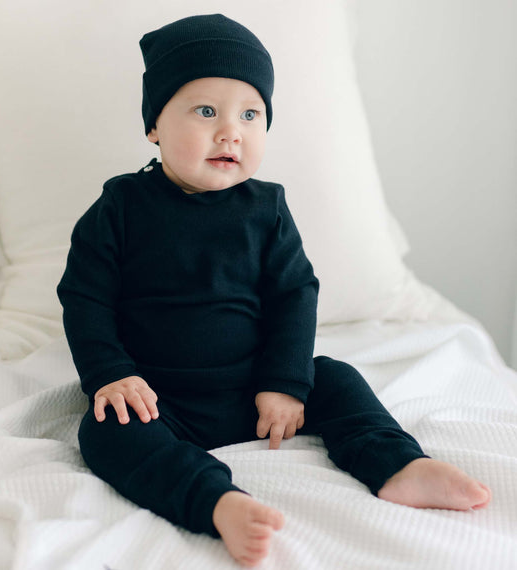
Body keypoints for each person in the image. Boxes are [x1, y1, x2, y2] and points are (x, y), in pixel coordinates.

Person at [57, 14, 491, 567]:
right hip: (161, 400)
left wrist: (285, 383)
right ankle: (215, 500)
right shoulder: (119, 207)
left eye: (251, 113)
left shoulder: (267, 209)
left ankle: (397, 465)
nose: (230, 131)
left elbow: (295, 294)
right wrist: (111, 374)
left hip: (257, 394)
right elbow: (85, 298)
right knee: (102, 432)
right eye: (206, 111)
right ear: (155, 126)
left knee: (334, 377)